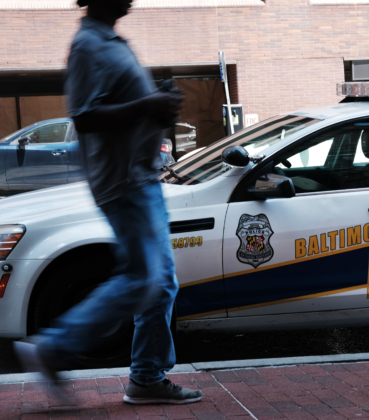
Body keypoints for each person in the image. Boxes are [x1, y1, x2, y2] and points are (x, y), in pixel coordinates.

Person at [13, 0, 203, 405]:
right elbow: (83, 116)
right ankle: (52, 348)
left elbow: (122, 106)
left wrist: (156, 103)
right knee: (143, 279)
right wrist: (148, 105)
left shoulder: (114, 41)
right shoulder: (87, 45)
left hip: (143, 176)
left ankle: (147, 378)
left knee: (161, 283)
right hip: (124, 182)